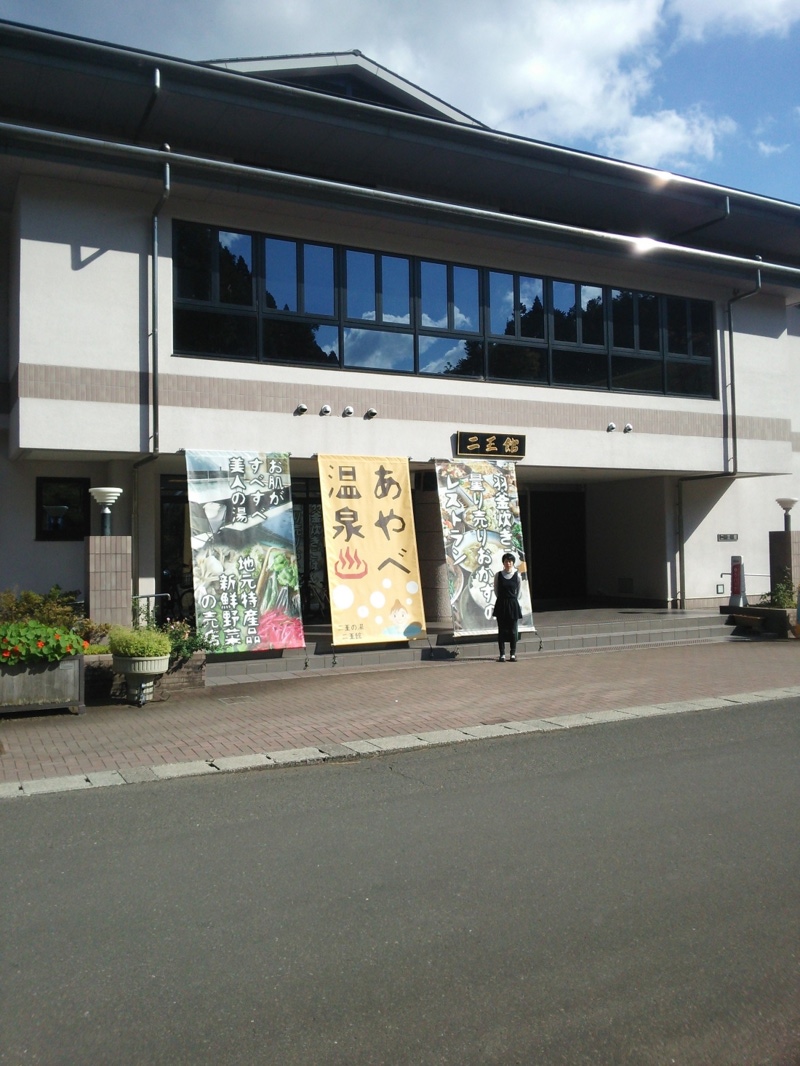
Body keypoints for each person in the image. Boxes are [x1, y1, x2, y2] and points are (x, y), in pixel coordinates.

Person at [492, 552, 523, 662]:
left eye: (510, 561)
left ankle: (513, 654)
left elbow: (519, 591)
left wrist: (513, 599)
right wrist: (502, 599)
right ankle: (502, 654)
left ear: (513, 563)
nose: (508, 563)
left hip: (513, 604)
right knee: (501, 630)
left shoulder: (517, 575)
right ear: (503, 563)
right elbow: (496, 590)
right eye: (506, 561)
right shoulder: (498, 575)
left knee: (513, 630)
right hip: (501, 604)